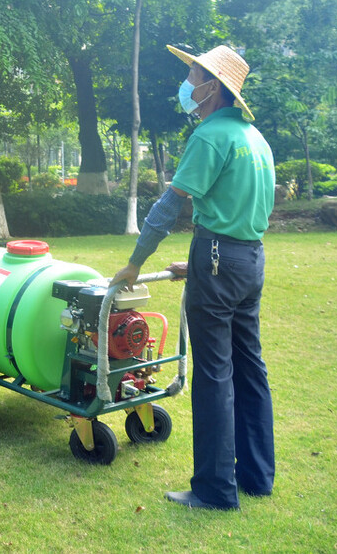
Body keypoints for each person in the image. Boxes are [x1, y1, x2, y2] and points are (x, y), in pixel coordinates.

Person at [112, 44, 275, 512]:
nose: (187, 82)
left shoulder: (209, 136)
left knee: (213, 375)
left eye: (193, 74)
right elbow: (243, 213)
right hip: (249, 260)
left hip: (220, 259)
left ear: (213, 87)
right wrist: (202, 262)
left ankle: (213, 490)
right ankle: (258, 478)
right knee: (251, 371)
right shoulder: (255, 139)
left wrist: (136, 262)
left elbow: (168, 208)